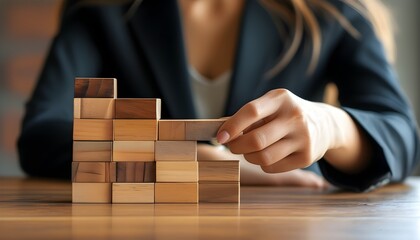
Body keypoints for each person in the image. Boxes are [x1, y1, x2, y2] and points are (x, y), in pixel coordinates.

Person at [17, 0, 420, 192]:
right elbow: (42, 134)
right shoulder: (100, 10)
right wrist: (174, 159)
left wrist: (331, 125)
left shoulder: (331, 13)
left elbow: (402, 136)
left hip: (287, 225)